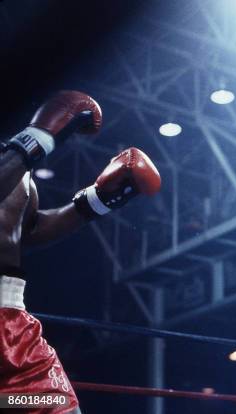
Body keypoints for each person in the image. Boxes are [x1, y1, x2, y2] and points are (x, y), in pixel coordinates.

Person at [0, 91, 162, 414]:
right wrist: (35, 141)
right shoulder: (18, 157)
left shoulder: (15, 163)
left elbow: (27, 230)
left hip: (13, 329)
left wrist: (98, 200)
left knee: (57, 404)